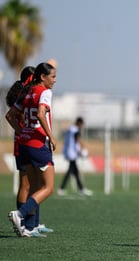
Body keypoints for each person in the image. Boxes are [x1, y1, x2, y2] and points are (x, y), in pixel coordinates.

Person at [7, 62, 57, 237]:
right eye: (52, 77)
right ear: (42, 77)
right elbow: (41, 114)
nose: (55, 80)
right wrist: (50, 136)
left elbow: (9, 116)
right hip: (38, 144)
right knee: (48, 187)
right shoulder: (44, 92)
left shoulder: (26, 91)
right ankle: (20, 215)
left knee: (34, 185)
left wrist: (23, 132)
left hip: (24, 144)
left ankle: (29, 227)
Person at [57, 117, 93, 196]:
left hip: (68, 151)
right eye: (81, 124)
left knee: (74, 172)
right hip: (72, 153)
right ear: (79, 123)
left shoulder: (70, 129)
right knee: (71, 171)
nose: (81, 126)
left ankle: (80, 189)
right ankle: (61, 189)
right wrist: (83, 148)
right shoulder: (75, 130)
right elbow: (78, 139)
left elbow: (69, 141)